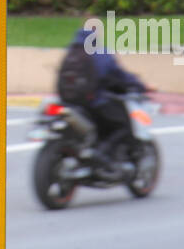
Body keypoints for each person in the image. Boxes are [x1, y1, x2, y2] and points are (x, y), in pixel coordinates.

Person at [57, 24, 150, 168]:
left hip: (69, 102)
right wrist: (140, 86)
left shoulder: (71, 51)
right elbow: (120, 75)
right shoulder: (99, 52)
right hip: (94, 102)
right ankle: (102, 153)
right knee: (123, 125)